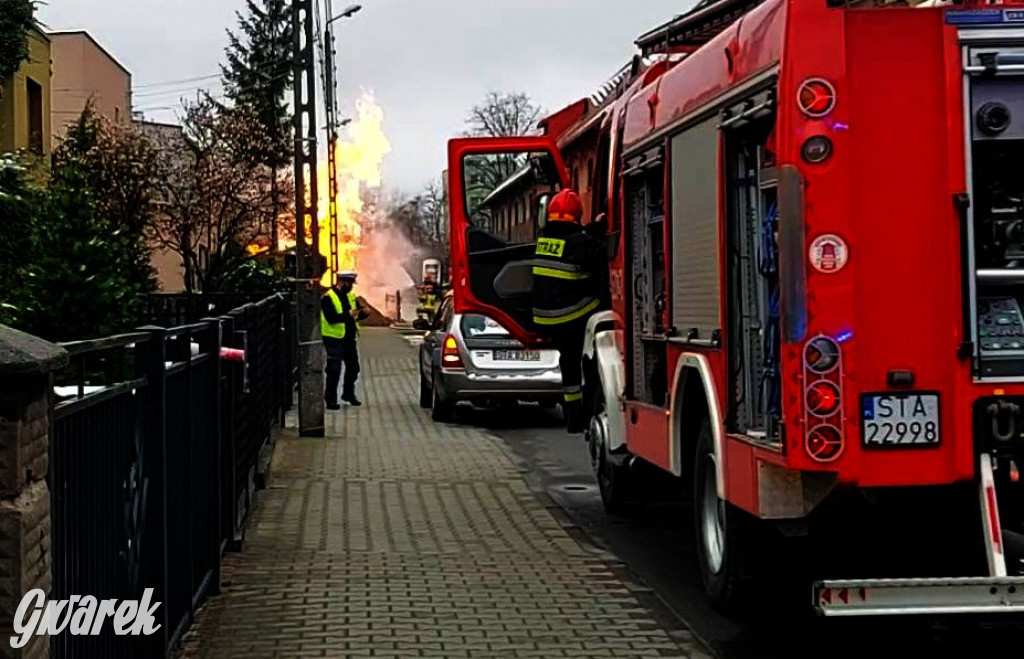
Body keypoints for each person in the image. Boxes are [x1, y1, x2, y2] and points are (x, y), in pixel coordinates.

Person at [531, 189, 606, 434]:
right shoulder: (580, 242)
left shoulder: (544, 239)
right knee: (603, 307)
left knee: (570, 360)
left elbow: (574, 241)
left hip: (543, 316)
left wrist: (591, 230)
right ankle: (586, 410)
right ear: (577, 215)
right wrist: (600, 228)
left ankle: (573, 415)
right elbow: (599, 251)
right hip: (569, 315)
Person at [321, 270, 369, 409]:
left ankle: (348, 394)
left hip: (349, 338)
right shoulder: (328, 298)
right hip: (333, 338)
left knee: (353, 368)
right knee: (334, 369)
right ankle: (330, 399)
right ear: (341, 281)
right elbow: (331, 318)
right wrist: (348, 314)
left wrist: (363, 313)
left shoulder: (350, 296)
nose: (351, 286)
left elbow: (355, 314)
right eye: (349, 283)